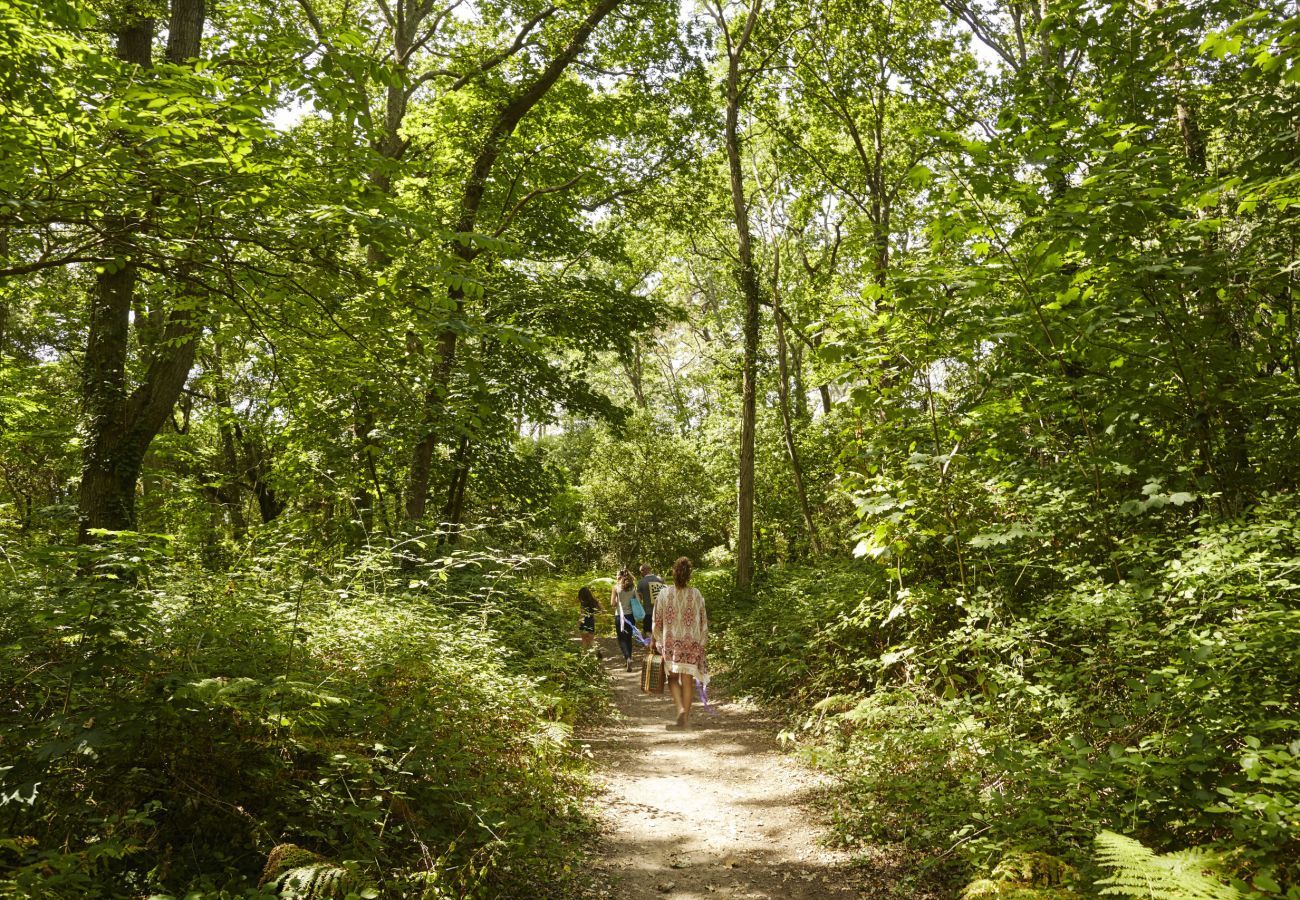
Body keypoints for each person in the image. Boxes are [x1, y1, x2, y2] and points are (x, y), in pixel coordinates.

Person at [649, 557, 708, 730]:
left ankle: (680, 709)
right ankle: (685, 720)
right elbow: (703, 620)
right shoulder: (696, 594)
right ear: (689, 575)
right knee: (688, 680)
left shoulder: (664, 593)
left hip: (671, 642)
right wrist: (702, 641)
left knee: (673, 679)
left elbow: (657, 620)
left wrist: (655, 639)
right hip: (692, 642)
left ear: (673, 573)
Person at [609, 569, 644, 672]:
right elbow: (638, 600)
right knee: (628, 638)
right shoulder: (632, 587)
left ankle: (627, 658)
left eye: (616, 575)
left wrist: (617, 600)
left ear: (619, 576)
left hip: (620, 616)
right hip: (630, 616)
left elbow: (612, 604)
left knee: (621, 639)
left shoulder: (616, 588)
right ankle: (629, 659)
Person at [636, 564, 664, 634]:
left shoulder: (641, 582)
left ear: (644, 570)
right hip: (660, 611)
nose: (641, 573)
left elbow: (639, 599)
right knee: (660, 632)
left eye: (641, 571)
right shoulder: (660, 580)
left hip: (647, 612)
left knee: (649, 632)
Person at [577, 585, 599, 654]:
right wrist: (595, 614)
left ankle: (584, 655)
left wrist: (579, 622)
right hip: (591, 621)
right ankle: (596, 651)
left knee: (584, 640)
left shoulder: (583, 603)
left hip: (584, 622)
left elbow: (582, 614)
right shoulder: (594, 601)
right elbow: (602, 610)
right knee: (591, 639)